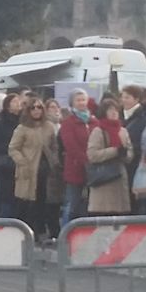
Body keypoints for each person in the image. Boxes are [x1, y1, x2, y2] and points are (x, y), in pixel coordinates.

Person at [9, 97, 63, 242]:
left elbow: (55, 146)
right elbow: (13, 149)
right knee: (25, 204)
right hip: (28, 170)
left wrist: (55, 160)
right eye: (33, 108)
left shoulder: (49, 126)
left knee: (44, 202)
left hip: (47, 170)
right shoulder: (22, 128)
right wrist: (22, 162)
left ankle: (42, 232)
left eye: (39, 107)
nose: (37, 110)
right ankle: (24, 233)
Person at [86, 99, 133, 215]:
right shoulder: (98, 131)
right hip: (104, 180)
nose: (114, 112)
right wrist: (115, 151)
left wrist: (125, 154)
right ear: (104, 112)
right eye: (110, 110)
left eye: (116, 110)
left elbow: (130, 153)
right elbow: (92, 155)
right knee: (104, 216)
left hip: (119, 177)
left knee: (120, 217)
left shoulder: (123, 131)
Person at [59, 90, 96, 226]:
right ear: (72, 103)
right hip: (75, 167)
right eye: (78, 100)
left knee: (91, 203)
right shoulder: (68, 123)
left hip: (94, 168)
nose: (81, 103)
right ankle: (65, 231)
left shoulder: (94, 121)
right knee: (71, 203)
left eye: (83, 100)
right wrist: (86, 160)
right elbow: (70, 145)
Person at [120, 85, 146, 211]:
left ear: (136, 99)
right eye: (122, 97)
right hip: (125, 164)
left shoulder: (143, 118)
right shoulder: (122, 116)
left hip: (137, 164)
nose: (123, 100)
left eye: (127, 97)